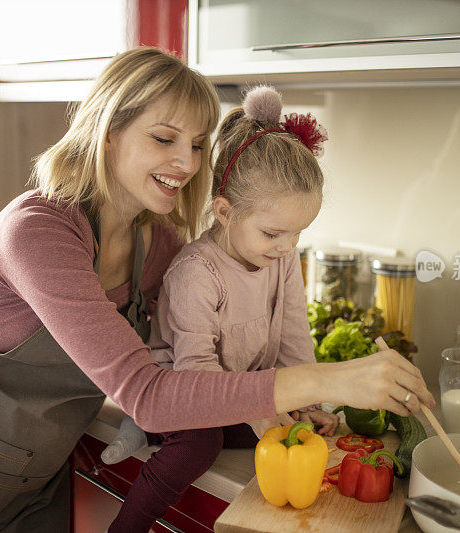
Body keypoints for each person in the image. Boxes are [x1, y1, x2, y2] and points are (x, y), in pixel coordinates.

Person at [0, 48, 433, 532]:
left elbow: (190, 368)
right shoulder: (40, 230)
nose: (187, 161)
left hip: (28, 468)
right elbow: (148, 395)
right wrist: (333, 378)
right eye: (164, 138)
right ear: (109, 131)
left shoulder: (163, 248)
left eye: (199, 144)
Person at [99, 86, 339, 531]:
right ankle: (127, 521)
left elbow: (293, 336)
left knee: (284, 426)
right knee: (199, 441)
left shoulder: (281, 258)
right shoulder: (196, 273)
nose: (287, 247)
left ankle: (140, 428)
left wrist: (303, 401)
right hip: (185, 390)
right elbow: (196, 376)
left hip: (238, 396)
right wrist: (270, 410)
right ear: (224, 212)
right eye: (273, 234)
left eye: (298, 234)